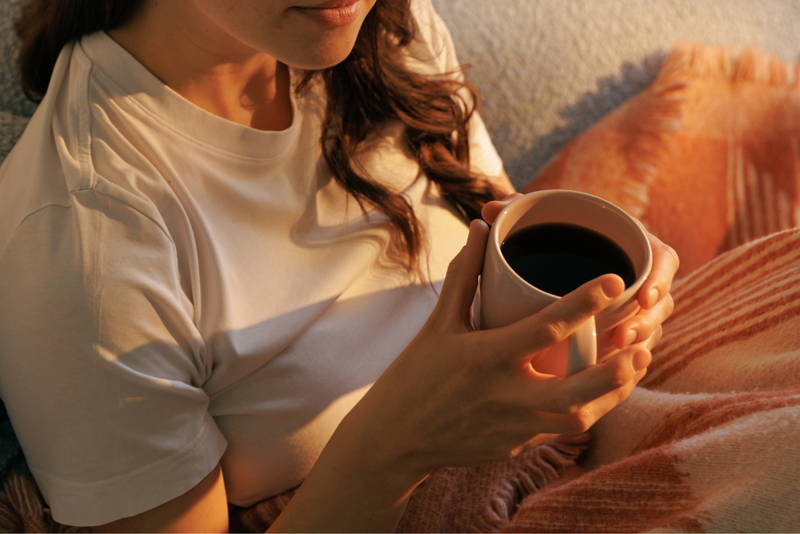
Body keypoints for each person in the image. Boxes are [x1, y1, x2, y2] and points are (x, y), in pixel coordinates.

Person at [0, 0, 679, 531]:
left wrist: (611, 304)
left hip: (575, 448)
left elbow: (496, 229)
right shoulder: (87, 240)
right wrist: (396, 448)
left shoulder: (376, 26)